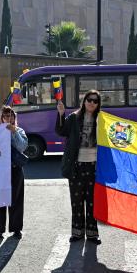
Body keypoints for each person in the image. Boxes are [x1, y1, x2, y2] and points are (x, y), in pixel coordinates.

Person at [56, 90, 101, 244]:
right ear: (85, 101)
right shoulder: (74, 117)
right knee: (76, 200)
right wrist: (61, 114)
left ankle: (92, 234)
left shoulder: (101, 120)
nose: (92, 103)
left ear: (98, 104)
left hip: (94, 166)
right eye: (89, 100)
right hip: (76, 165)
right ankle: (77, 232)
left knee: (92, 202)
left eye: (95, 101)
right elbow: (61, 131)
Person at [0, 106, 28, 239]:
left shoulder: (19, 130)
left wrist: (14, 133)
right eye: (6, 115)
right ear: (1, 118)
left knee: (16, 200)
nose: (9, 118)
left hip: (15, 169)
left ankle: (16, 229)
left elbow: (22, 147)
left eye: (11, 115)